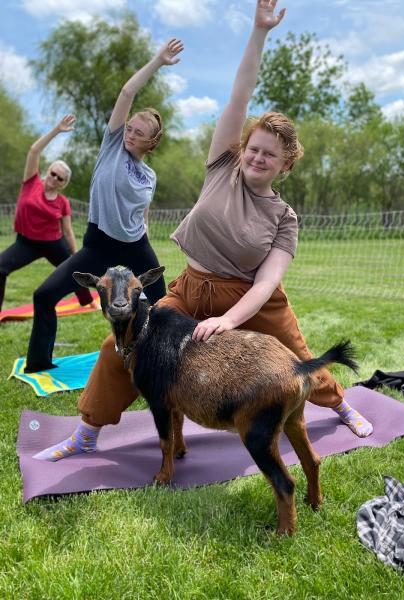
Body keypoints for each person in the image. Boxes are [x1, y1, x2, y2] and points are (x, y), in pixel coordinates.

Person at [34, 0, 372, 462]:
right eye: (253, 148)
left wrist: (228, 322)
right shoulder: (222, 165)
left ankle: (341, 405)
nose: (256, 158)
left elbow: (269, 281)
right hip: (192, 286)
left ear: (285, 164)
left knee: (297, 363)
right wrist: (258, 32)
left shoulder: (285, 218)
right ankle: (87, 434)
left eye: (269, 155)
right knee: (119, 347)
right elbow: (239, 96)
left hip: (250, 299)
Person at [24, 37, 184, 373]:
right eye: (130, 128)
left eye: (139, 133)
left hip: (136, 247)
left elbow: (142, 210)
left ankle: (172, 361)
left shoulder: (149, 175)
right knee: (44, 295)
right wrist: (157, 61)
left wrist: (145, 231)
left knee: (165, 304)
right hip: (99, 245)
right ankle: (39, 363)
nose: (131, 134)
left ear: (152, 142)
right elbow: (127, 93)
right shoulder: (112, 146)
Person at [0, 115, 96, 314]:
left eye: (59, 178)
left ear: (63, 183)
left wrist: (76, 254)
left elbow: (68, 231)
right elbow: (34, 150)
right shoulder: (31, 182)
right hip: (26, 243)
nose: (54, 178)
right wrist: (57, 130)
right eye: (53, 173)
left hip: (53, 244)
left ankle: (87, 301)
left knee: (74, 270)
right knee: (0, 268)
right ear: (47, 171)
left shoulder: (63, 202)